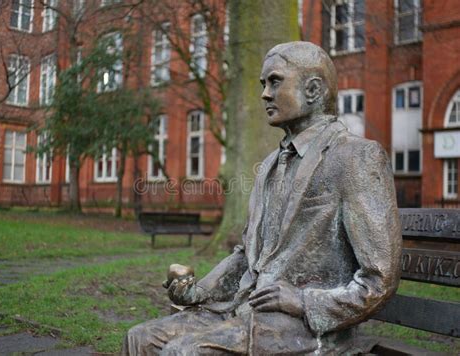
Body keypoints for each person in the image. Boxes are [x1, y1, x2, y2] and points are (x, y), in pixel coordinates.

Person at [123, 41, 402, 355]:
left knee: (183, 352)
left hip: (305, 330)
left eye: (275, 81)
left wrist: (301, 301)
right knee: (140, 338)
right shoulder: (269, 164)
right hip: (244, 313)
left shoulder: (356, 157)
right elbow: (247, 255)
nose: (265, 94)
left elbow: (380, 280)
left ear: (312, 90)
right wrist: (199, 291)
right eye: (263, 84)